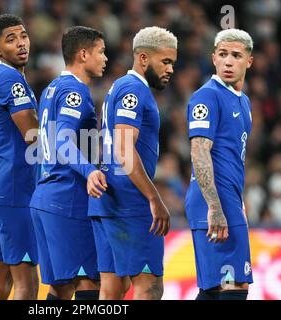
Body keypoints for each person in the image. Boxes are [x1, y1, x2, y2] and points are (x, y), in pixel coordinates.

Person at [88, 26, 176, 300]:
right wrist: (154, 197)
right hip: (129, 201)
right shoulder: (133, 90)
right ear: (143, 58)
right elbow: (125, 150)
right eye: (166, 61)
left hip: (108, 199)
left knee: (113, 290)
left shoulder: (118, 87)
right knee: (149, 286)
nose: (171, 69)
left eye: (173, 62)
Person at [29, 26, 108, 300]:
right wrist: (89, 171)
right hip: (68, 199)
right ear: (83, 54)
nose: (105, 58)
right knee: (88, 282)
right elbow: (62, 140)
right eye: (101, 52)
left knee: (61, 289)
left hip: (44, 198)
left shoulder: (51, 89)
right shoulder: (76, 91)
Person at [184, 28, 254, 300]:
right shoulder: (207, 96)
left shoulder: (243, 101)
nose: (228, 61)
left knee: (215, 288)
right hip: (212, 202)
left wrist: (239, 202)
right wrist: (215, 207)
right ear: (213, 58)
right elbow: (199, 152)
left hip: (228, 200)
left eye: (236, 55)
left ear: (249, 61)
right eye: (223, 54)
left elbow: (233, 157)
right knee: (233, 284)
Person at [0, 14, 39, 300]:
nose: (21, 43)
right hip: (13, 192)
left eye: (23, 36)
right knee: (27, 285)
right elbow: (33, 135)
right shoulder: (11, 80)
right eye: (11, 40)